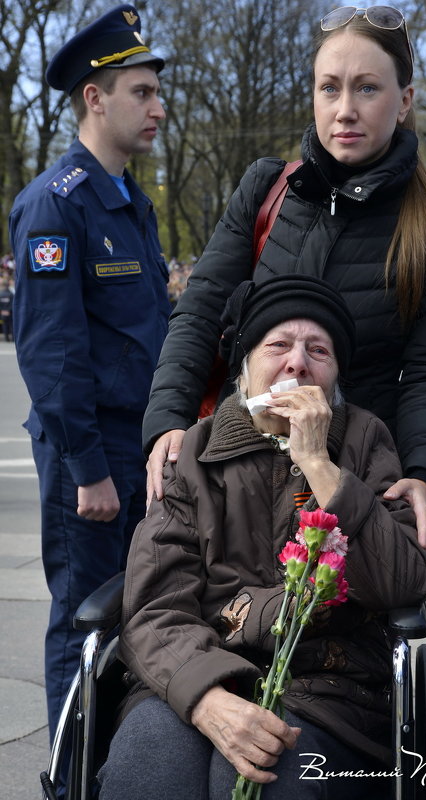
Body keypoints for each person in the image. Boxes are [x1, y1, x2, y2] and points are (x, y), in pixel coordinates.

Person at [143, 5, 426, 551]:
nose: (345, 110)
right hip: (236, 473)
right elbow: (198, 314)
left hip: (351, 481)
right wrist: (167, 423)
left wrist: (422, 471)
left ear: (405, 100)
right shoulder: (266, 188)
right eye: (329, 88)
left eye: (367, 88)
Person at [97, 274, 426, 800]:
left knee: (273, 783)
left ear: (335, 377)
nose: (297, 362)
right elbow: (154, 606)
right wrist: (206, 698)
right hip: (186, 672)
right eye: (278, 346)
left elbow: (402, 584)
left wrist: (319, 464)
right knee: (152, 771)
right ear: (246, 368)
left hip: (326, 689)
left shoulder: (367, 440)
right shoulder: (194, 452)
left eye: (318, 351)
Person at [8, 4, 170, 740]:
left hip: (138, 452)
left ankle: (114, 765)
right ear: (94, 98)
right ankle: (70, 776)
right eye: (141, 92)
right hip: (94, 460)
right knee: (84, 622)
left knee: (134, 617)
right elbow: (52, 350)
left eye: (158, 93)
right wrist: (87, 468)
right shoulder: (55, 205)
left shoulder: (132, 204)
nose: (157, 107)